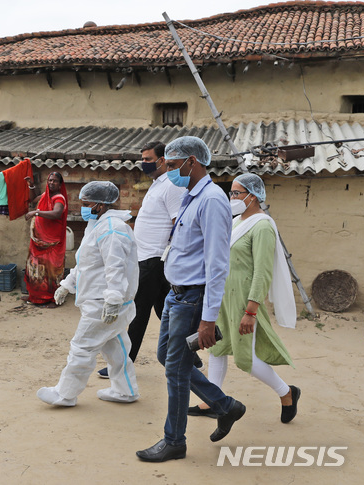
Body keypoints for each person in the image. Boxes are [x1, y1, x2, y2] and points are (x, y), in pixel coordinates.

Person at [136, 136, 246, 463]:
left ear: (192, 162)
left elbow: (217, 264)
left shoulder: (211, 200)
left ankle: (174, 441)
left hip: (192, 299)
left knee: (175, 369)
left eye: (172, 165)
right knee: (166, 357)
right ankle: (225, 405)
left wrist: (208, 319)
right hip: (176, 295)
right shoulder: (190, 196)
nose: (168, 171)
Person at [188, 174, 300, 423]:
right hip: (222, 297)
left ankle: (287, 392)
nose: (232, 198)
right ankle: (212, 401)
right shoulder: (236, 221)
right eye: (231, 193)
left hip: (243, 300)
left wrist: (250, 311)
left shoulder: (263, 225)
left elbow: (262, 270)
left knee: (244, 359)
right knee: (216, 348)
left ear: (254, 196)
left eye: (237, 194)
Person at [36, 181, 139, 406]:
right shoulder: (97, 225)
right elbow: (86, 265)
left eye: (86, 204)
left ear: (100, 205)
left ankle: (65, 394)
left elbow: (116, 267)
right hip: (102, 299)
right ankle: (126, 391)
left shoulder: (112, 228)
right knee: (116, 347)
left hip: (104, 301)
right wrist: (67, 285)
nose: (81, 208)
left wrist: (113, 300)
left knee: (82, 346)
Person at [97, 141, 186, 379]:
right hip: (145, 258)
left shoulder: (172, 186)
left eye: (148, 159)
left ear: (162, 160)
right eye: (142, 159)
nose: (143, 163)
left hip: (154, 260)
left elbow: (178, 223)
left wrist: (170, 255)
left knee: (137, 312)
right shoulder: (158, 184)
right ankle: (191, 353)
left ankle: (124, 362)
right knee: (165, 310)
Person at [23, 172, 68, 306]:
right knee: (35, 269)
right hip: (39, 241)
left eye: (54, 181)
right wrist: (31, 186)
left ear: (60, 184)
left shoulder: (59, 198)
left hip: (52, 242)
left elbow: (57, 213)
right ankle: (36, 296)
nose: (51, 183)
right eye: (50, 180)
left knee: (51, 271)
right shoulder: (46, 195)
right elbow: (34, 199)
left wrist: (36, 212)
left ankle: (53, 299)